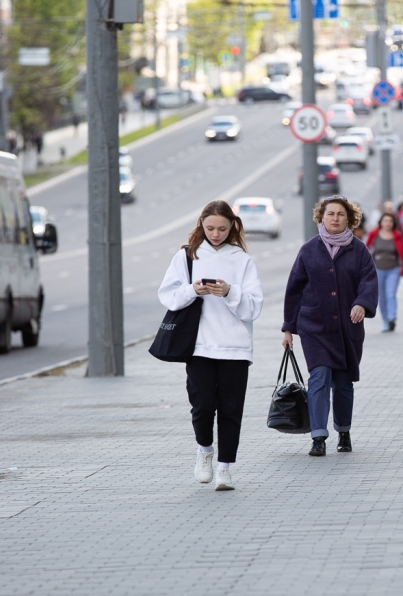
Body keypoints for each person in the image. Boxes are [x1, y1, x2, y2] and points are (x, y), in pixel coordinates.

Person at [157, 200, 264, 491]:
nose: (215, 234)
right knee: (202, 406)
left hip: (236, 347)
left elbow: (253, 307)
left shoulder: (242, 260)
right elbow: (168, 296)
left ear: (232, 228)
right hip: (199, 346)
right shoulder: (187, 257)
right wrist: (194, 289)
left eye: (222, 229)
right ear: (201, 225)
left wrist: (230, 291)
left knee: (231, 409)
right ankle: (204, 450)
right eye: (210, 228)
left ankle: (225, 468)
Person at [282, 196, 378, 457]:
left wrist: (362, 303)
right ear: (321, 218)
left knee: (344, 383)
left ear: (349, 219)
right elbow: (294, 290)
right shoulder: (308, 250)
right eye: (330, 214)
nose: (335, 218)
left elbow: (369, 281)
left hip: (348, 328)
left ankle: (344, 431)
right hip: (314, 326)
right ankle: (318, 437)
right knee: (320, 378)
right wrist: (288, 328)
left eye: (340, 214)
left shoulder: (359, 250)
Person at [366, 212, 403, 332]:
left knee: (390, 294)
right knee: (381, 297)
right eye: (385, 221)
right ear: (381, 222)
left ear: (393, 223)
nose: (388, 223)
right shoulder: (374, 234)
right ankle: (385, 321)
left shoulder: (397, 235)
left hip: (393, 269)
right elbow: (366, 249)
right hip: (377, 269)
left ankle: (392, 318)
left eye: (390, 221)